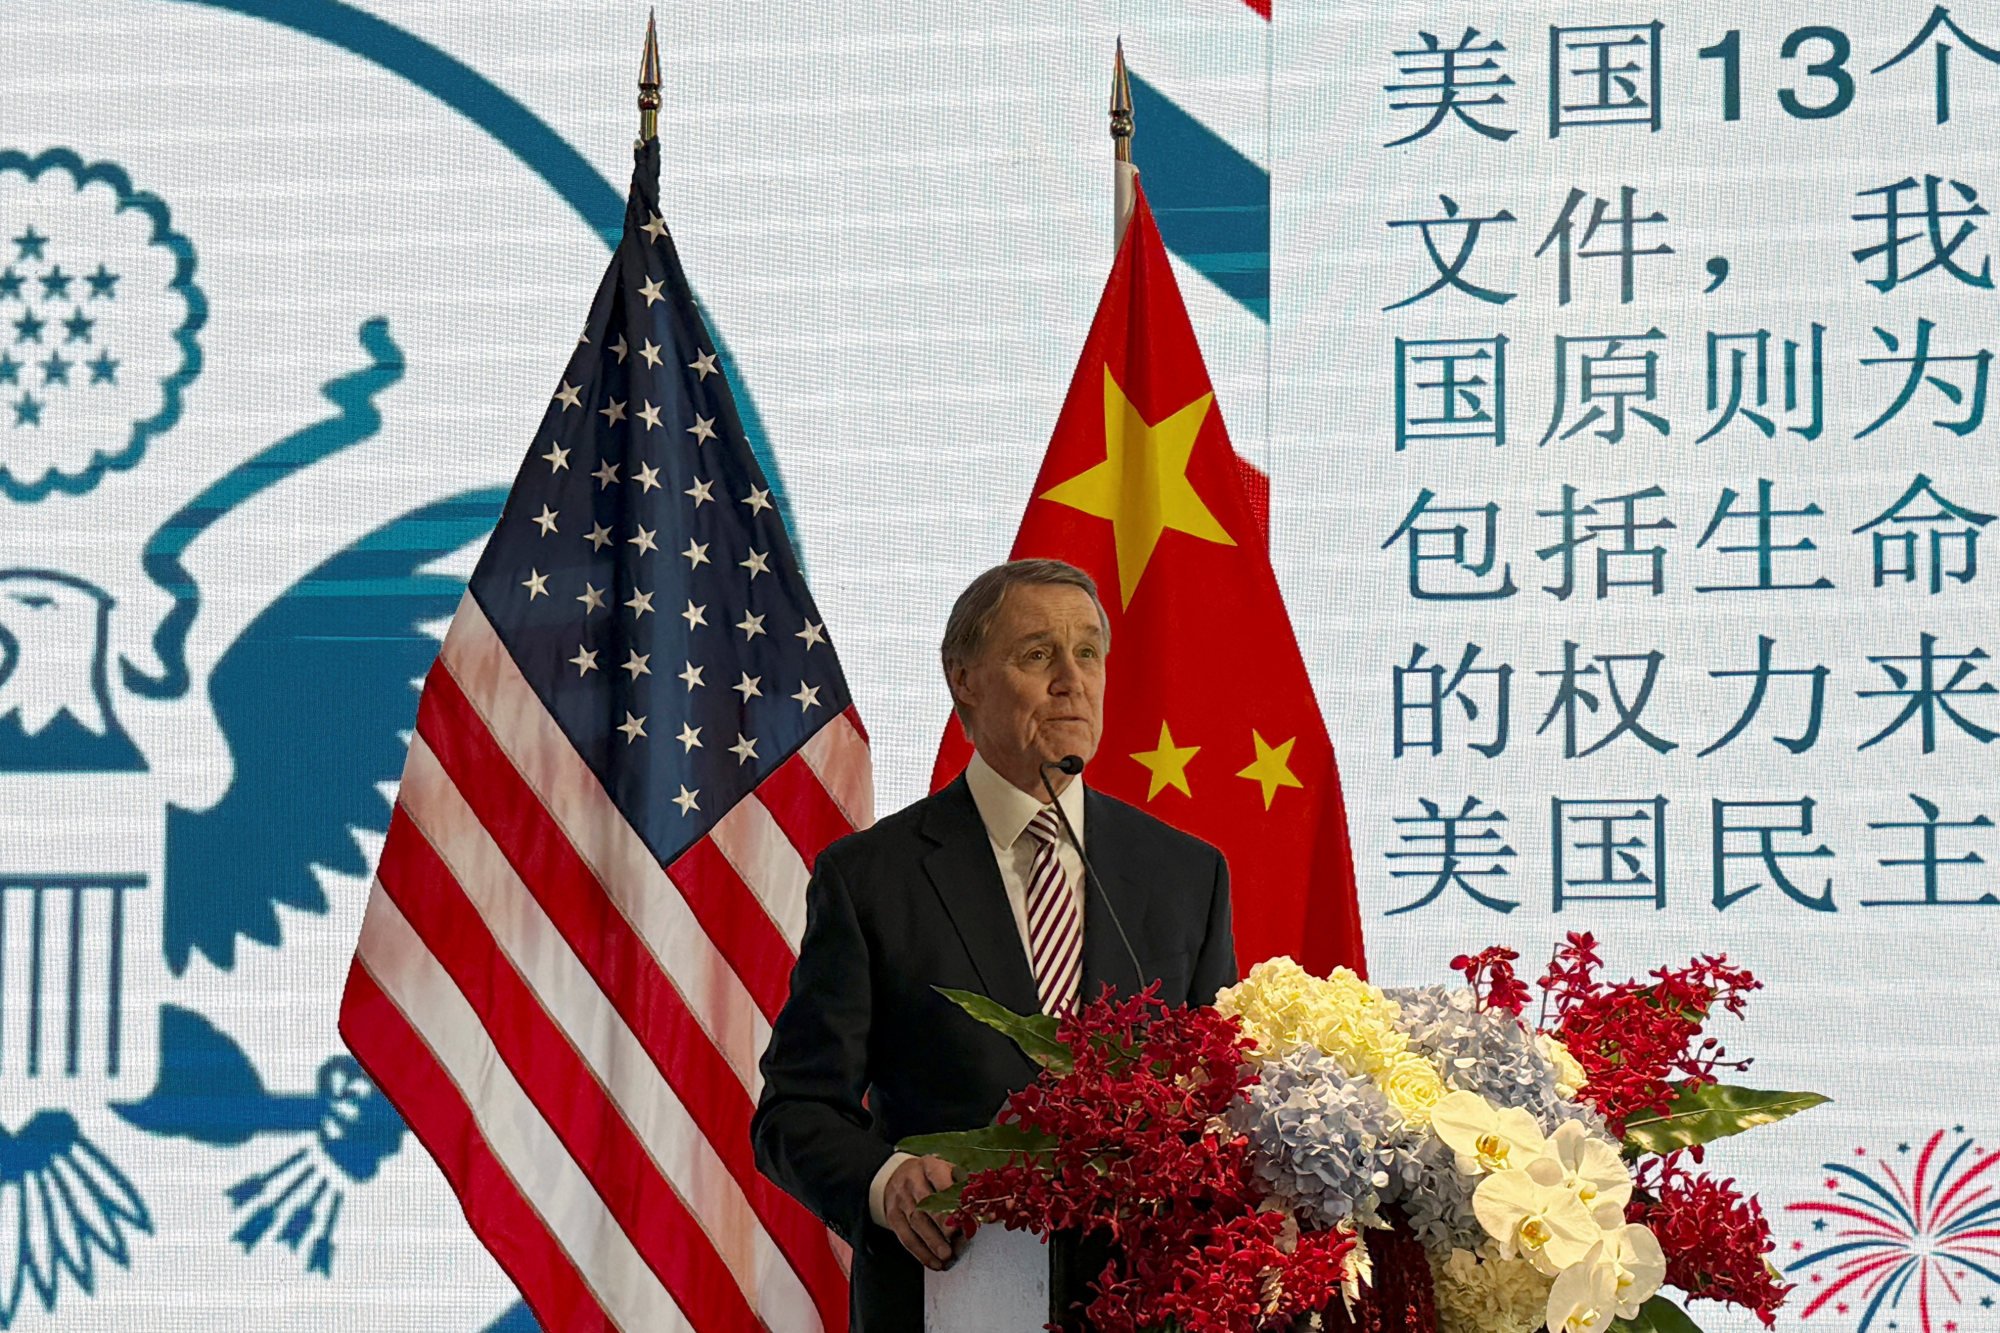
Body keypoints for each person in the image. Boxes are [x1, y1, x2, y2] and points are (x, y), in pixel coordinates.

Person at [751, 558, 1238, 1332]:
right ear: (965, 679)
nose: (1072, 681)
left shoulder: (1186, 874)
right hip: (947, 1291)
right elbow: (795, 1110)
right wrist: (887, 1180)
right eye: (1038, 654)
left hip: (1141, 1306)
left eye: (1088, 653)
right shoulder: (872, 878)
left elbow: (1220, 1105)